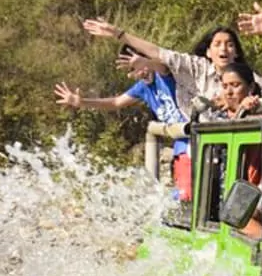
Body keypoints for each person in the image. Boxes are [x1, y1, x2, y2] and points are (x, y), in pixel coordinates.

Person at [54, 45, 192, 201]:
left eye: (140, 66)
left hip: (194, 135)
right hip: (181, 142)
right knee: (185, 193)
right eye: (133, 70)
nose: (140, 73)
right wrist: (82, 102)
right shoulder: (143, 88)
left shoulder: (164, 75)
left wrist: (145, 60)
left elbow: (163, 65)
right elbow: (116, 102)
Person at [81, 20, 262, 115]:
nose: (224, 49)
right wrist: (119, 34)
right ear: (208, 52)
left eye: (229, 44)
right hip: (206, 144)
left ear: (236, 52)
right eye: (217, 44)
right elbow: (161, 54)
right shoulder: (195, 68)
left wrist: (254, 102)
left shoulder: (246, 75)